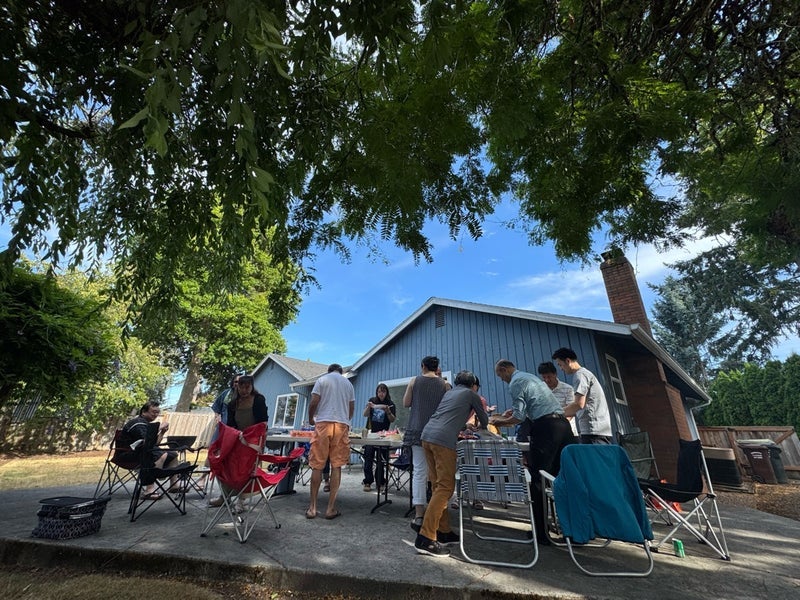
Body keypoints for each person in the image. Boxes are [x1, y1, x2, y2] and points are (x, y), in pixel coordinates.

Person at [490, 359, 575, 545]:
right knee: (564, 476)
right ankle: (575, 530)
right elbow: (530, 407)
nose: (501, 379)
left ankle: (541, 532)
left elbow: (519, 417)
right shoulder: (530, 378)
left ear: (504, 370)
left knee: (538, 479)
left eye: (500, 375)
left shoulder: (515, 382)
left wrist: (498, 421)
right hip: (563, 425)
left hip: (546, 427)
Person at [414, 370, 488, 557]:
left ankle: (443, 531)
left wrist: (463, 425)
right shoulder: (471, 394)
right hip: (443, 442)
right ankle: (426, 538)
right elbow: (485, 420)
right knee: (446, 488)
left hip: (427, 436)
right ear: (473, 385)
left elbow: (449, 417)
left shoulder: (450, 393)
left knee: (437, 486)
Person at [402, 355, 450, 532]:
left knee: (419, 472)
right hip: (438, 433)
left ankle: (419, 514)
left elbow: (406, 403)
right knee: (437, 473)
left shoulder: (414, 381)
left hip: (417, 431)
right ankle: (437, 514)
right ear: (437, 367)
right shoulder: (445, 385)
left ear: (423, 366)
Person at [306, 363, 355, 520]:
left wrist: (311, 419)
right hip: (341, 425)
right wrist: (345, 419)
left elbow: (314, 402)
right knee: (336, 465)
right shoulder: (348, 384)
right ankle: (330, 508)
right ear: (341, 372)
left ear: (329, 371)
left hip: (323, 424)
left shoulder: (322, 380)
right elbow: (351, 408)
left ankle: (312, 508)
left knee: (317, 465)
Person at [551, 348, 613, 444]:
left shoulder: (580, 375)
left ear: (568, 361)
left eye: (560, 365)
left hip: (593, 431)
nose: (561, 369)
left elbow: (578, 404)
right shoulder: (585, 374)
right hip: (597, 429)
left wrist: (555, 415)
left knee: (593, 455)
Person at [120, 401, 180, 499]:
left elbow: (154, 444)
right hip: (127, 454)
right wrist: (159, 427)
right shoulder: (137, 423)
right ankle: (149, 489)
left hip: (141, 451)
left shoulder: (146, 424)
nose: (156, 415)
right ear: (144, 412)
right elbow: (146, 442)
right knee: (158, 454)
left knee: (173, 454)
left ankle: (174, 485)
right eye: (153, 412)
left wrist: (162, 432)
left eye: (157, 412)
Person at [362, 383, 396, 492]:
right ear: (377, 392)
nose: (381, 394)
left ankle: (380, 481)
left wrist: (388, 411)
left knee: (381, 459)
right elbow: (365, 414)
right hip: (372, 435)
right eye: (379, 391)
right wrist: (369, 407)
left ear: (386, 393)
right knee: (368, 456)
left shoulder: (390, 404)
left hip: (384, 435)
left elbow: (392, 419)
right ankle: (367, 481)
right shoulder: (372, 401)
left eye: (383, 391)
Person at [537, 361, 579, 437]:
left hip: (567, 431)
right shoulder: (539, 389)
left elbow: (572, 411)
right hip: (548, 432)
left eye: (549, 377)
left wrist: (558, 425)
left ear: (555, 374)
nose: (547, 380)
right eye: (544, 377)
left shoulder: (568, 389)